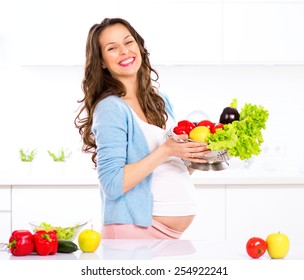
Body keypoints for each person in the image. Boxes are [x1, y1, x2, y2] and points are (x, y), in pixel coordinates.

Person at [74, 18, 210, 239]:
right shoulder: (110, 108)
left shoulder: (159, 100)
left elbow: (170, 168)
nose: (124, 52)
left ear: (138, 45)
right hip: (134, 233)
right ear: (102, 61)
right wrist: (166, 151)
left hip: (167, 237)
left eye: (128, 42)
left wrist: (196, 157)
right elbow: (112, 184)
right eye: (112, 48)